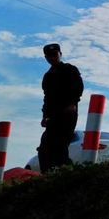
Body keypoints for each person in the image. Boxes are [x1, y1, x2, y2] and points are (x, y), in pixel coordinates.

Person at [38, 43, 84, 172]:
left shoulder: (70, 69)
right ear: (46, 58)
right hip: (53, 116)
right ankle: (47, 175)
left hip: (67, 114)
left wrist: (72, 104)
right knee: (44, 148)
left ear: (60, 54)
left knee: (61, 146)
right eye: (49, 56)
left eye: (54, 55)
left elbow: (78, 88)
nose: (52, 58)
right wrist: (45, 116)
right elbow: (47, 98)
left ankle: (66, 174)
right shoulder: (48, 76)